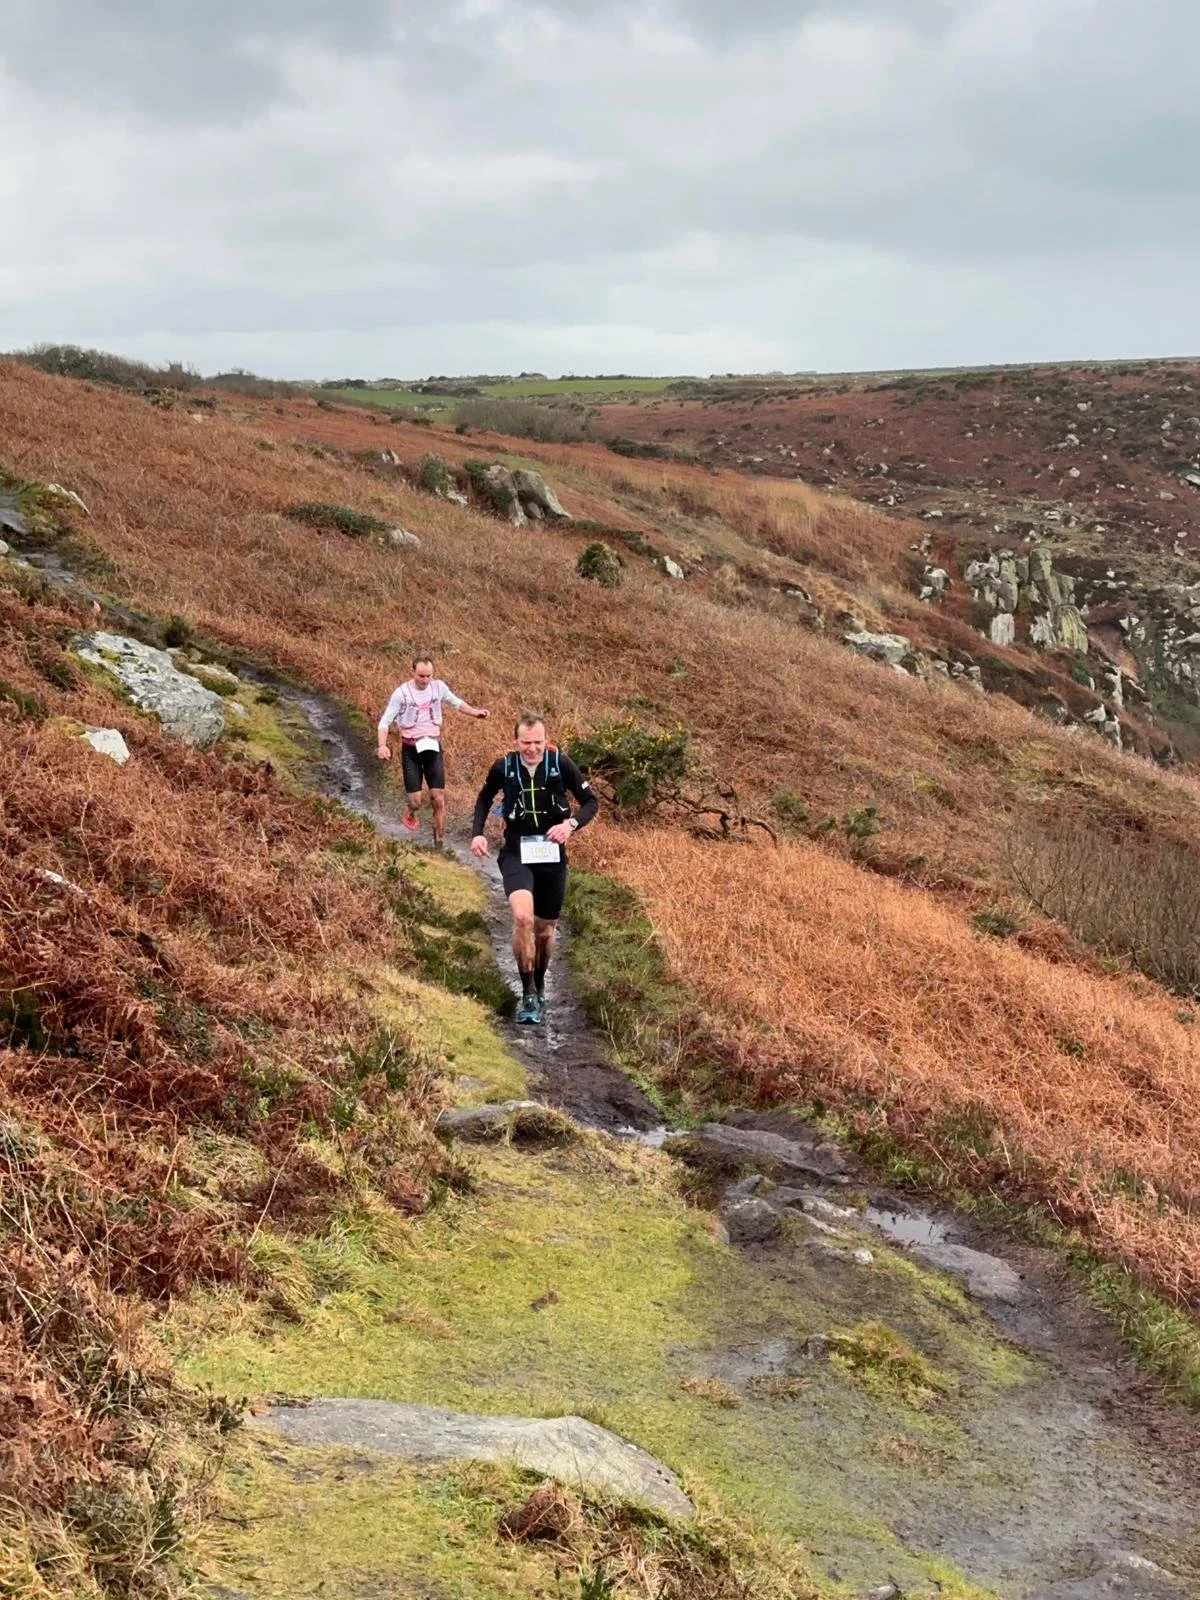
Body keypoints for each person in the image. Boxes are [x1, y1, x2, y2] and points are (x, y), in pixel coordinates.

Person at [471, 714, 597, 1024]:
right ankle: (527, 994)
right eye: (526, 743)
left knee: (545, 931)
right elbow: (484, 798)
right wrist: (478, 833)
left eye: (537, 742)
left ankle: (540, 983)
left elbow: (590, 802)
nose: (532, 749)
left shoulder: (560, 763)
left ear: (546, 739)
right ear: (516, 741)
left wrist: (570, 825)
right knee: (523, 919)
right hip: (517, 852)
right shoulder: (504, 766)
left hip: (552, 855)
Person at [377, 657, 489, 847]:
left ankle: (439, 844)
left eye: (429, 675)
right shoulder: (401, 694)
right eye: (421, 675)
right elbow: (384, 722)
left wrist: (475, 712)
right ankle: (411, 812)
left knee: (438, 799)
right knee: (416, 801)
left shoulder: (439, 687)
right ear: (412, 672)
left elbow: (456, 703)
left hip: (433, 748)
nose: (425, 680)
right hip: (411, 750)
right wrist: (382, 745)